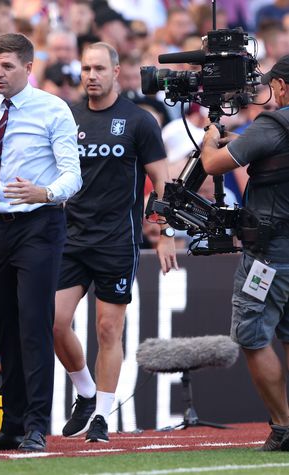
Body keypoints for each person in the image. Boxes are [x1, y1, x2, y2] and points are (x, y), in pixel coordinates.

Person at [0, 33, 81, 453]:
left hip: (41, 223)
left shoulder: (53, 108)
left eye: (7, 66)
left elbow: (73, 175)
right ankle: (13, 423)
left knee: (34, 324)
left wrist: (45, 193)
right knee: (5, 324)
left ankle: (38, 424)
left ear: (29, 67)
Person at [52, 42, 177, 444]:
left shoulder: (139, 122)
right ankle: (86, 392)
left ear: (117, 72)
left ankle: (102, 416)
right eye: (86, 68)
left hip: (117, 241)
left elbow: (162, 183)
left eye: (99, 68)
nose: (91, 75)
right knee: (52, 321)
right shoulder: (66, 116)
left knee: (108, 329)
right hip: (70, 236)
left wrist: (165, 233)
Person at [199, 54, 289, 452]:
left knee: (252, 336)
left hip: (269, 255)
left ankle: (284, 426)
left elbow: (215, 164)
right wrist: (245, 143)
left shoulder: (273, 125)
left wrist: (207, 142)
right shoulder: (270, 134)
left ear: (283, 87)